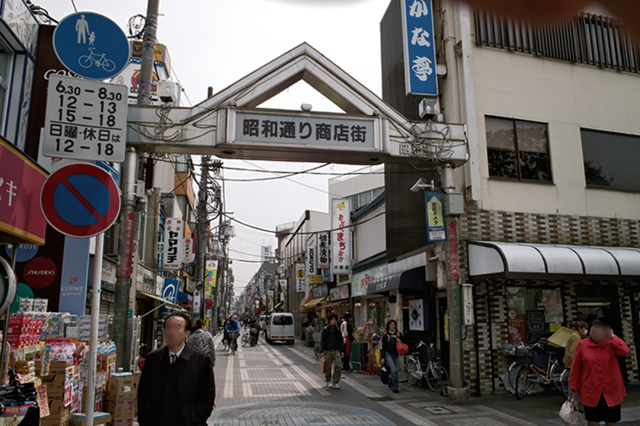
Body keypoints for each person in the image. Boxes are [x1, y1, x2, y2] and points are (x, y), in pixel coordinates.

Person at [137, 312, 215, 426]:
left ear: (186, 333)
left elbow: (207, 396)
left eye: (177, 327)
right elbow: (143, 393)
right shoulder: (153, 359)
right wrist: (145, 419)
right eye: (168, 327)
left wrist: (196, 420)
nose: (171, 332)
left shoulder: (201, 360)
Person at [570, 318, 630, 426]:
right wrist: (573, 386)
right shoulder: (582, 345)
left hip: (611, 388)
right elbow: (576, 368)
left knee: (611, 421)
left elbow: (625, 351)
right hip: (591, 389)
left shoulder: (611, 343)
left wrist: (613, 337)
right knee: (593, 420)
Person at [321, 313, 345, 389]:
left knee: (338, 365)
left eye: (335, 319)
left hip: (336, 350)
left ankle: (336, 381)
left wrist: (342, 350)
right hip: (328, 350)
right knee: (328, 366)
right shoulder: (326, 330)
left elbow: (340, 340)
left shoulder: (337, 330)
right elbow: (323, 340)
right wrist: (322, 350)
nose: (334, 321)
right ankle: (328, 380)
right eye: (332, 319)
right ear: (329, 320)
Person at [380, 319, 404, 393]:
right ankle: (395, 386)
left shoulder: (398, 334)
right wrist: (383, 357)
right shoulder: (385, 335)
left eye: (394, 325)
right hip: (388, 353)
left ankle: (390, 379)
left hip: (395, 353)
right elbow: (384, 347)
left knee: (396, 371)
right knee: (393, 370)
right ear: (388, 326)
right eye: (391, 325)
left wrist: (399, 341)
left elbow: (404, 342)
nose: (393, 326)